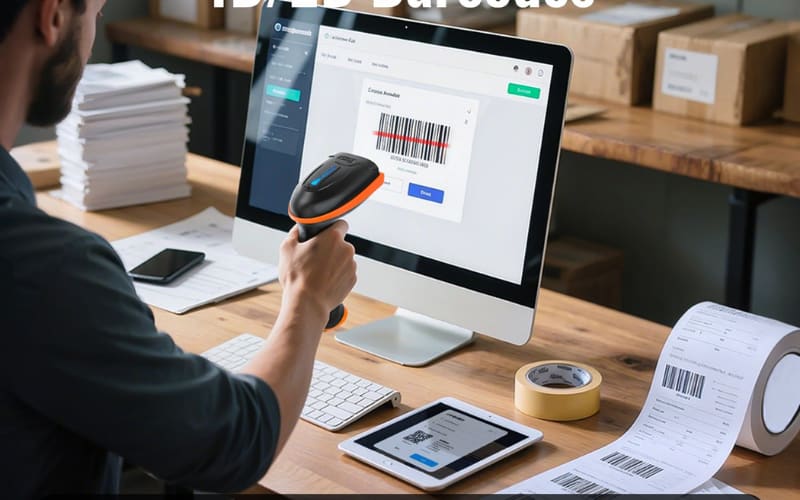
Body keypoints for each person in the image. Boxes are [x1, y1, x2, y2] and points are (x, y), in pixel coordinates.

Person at [0, 0, 358, 497]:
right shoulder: (44, 267)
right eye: (97, 13)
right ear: (54, 15)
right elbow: (233, 443)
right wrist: (309, 299)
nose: (95, 31)